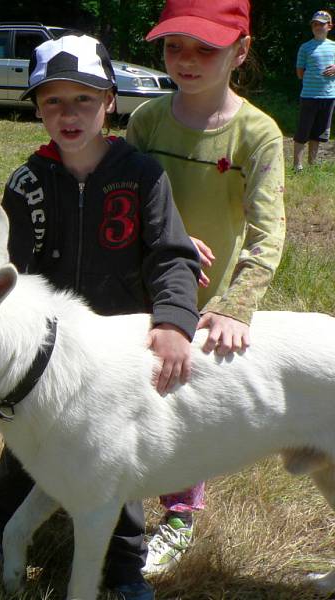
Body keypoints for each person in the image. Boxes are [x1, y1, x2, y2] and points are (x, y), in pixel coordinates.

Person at [0, 33, 201, 600]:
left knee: (112, 461)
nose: (68, 113)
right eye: (52, 101)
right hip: (47, 352)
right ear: (36, 109)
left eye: (83, 98)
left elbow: (171, 256)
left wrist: (174, 321)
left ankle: (123, 569)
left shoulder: (143, 176)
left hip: (115, 356)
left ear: (109, 103)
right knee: (25, 448)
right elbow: (9, 268)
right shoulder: (28, 181)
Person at [127, 0, 285, 575]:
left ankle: (177, 515)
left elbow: (270, 230)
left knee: (179, 401)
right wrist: (167, 238)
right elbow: (125, 199)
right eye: (175, 46)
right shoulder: (147, 120)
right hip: (138, 282)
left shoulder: (256, 132)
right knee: (129, 392)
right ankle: (116, 497)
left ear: (240, 52)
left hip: (205, 299)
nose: (186, 60)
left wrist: (237, 303)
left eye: (206, 49)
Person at [292, 9, 335, 172]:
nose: (317, 27)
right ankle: (297, 165)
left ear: (329, 26)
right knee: (303, 131)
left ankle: (312, 164)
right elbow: (300, 73)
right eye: (315, 24)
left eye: (321, 24)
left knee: (318, 132)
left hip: (329, 96)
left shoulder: (334, 47)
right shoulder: (305, 47)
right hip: (309, 95)